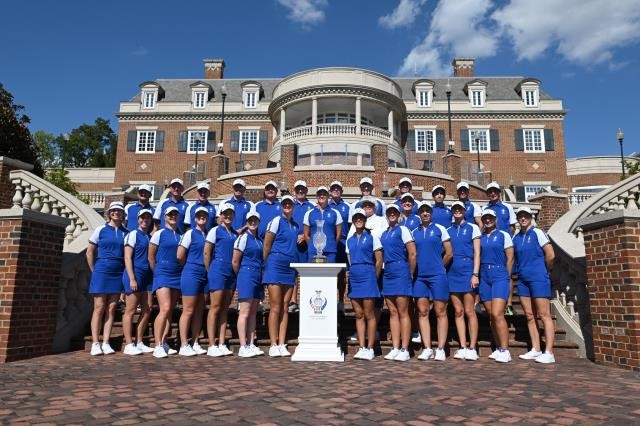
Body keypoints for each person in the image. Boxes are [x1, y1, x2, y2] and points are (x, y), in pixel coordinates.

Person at [513, 207, 556, 364]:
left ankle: (549, 352)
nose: (522, 218)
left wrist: (545, 271)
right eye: (520, 216)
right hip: (523, 280)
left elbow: (550, 255)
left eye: (525, 216)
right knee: (529, 315)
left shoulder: (537, 232)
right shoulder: (516, 238)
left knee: (544, 315)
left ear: (530, 217)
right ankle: (536, 349)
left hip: (538, 277)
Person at [412, 201, 453, 361]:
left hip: (438, 276)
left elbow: (449, 253)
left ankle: (441, 348)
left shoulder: (440, 229)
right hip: (420, 277)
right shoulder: (414, 232)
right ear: (419, 214)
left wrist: (439, 267)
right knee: (422, 312)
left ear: (431, 213)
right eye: (422, 211)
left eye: (427, 210)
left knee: (440, 311)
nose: (425, 213)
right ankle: (427, 347)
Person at [86, 202, 128, 356]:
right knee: (99, 307)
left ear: (123, 214)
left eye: (119, 211)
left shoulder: (126, 232)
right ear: (109, 213)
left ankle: (106, 342)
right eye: (114, 210)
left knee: (111, 308)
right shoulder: (100, 230)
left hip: (118, 271)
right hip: (102, 270)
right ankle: (95, 343)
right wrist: (94, 270)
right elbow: (90, 252)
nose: (116, 213)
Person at [262, 195, 299, 357]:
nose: (287, 206)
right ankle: (273, 343)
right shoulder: (276, 221)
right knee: (275, 306)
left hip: (289, 268)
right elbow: (267, 244)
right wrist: (265, 265)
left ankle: (282, 342)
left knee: (285, 307)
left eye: (290, 203)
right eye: (284, 203)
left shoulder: (295, 225)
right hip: (275, 265)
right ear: (281, 205)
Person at [380, 204, 416, 362]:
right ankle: (395, 347)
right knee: (392, 312)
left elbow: (412, 253)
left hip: (401, 269)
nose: (392, 214)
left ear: (398, 214)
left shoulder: (403, 230)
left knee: (403, 312)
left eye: (394, 212)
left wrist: (410, 273)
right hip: (388, 272)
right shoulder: (384, 233)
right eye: (390, 212)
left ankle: (405, 349)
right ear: (387, 215)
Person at [346, 208, 383, 361]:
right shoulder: (350, 240)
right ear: (353, 220)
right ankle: (361, 347)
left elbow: (379, 259)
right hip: (354, 277)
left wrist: (374, 277)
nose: (358, 220)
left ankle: (370, 347)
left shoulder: (373, 236)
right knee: (359, 314)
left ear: (365, 219)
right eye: (356, 217)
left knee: (369, 314)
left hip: (368, 276)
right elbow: (350, 259)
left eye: (361, 217)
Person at [447, 201, 481, 361]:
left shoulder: (473, 228)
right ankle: (462, 345)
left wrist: (475, 274)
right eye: (455, 209)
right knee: (458, 311)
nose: (457, 211)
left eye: (460, 209)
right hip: (452, 272)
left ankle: (473, 347)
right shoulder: (448, 230)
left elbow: (477, 253)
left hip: (468, 270)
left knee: (469, 311)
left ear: (464, 211)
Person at [479, 208, 514, 363]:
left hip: (499, 274)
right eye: (485, 218)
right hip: (484, 275)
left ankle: (505, 350)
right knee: (491, 315)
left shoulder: (503, 235)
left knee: (497, 313)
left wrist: (506, 276)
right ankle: (499, 347)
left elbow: (510, 258)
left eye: (490, 218)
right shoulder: (480, 237)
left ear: (496, 219)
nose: (488, 220)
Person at [204, 203, 238, 357]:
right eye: (226, 213)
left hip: (231, 273)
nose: (228, 216)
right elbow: (207, 252)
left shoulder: (235, 234)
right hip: (217, 269)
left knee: (224, 308)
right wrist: (210, 270)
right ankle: (212, 344)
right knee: (215, 307)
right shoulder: (214, 230)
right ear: (221, 215)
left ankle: (222, 342)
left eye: (231, 213)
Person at [149, 206, 183, 358]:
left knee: (170, 310)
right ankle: (157, 345)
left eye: (175, 214)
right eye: (170, 214)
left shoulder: (181, 234)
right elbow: (151, 256)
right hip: (162, 272)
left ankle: (164, 342)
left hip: (177, 274)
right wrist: (157, 272)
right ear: (165, 217)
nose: (173, 216)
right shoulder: (159, 233)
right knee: (165, 307)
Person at [176, 206, 210, 356]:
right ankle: (184, 344)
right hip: (192, 272)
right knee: (188, 309)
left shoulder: (208, 234)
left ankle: (195, 342)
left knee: (199, 310)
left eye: (204, 215)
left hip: (205, 273)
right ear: (194, 217)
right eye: (199, 215)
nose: (201, 217)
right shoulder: (190, 233)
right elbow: (179, 255)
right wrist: (190, 267)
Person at [121, 208, 154, 355]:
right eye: (142, 217)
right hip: (134, 274)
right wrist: (132, 278)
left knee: (147, 309)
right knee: (130, 310)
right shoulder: (133, 234)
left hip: (147, 276)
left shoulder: (148, 236)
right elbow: (127, 257)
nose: (145, 220)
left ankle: (139, 341)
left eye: (148, 217)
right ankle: (129, 344)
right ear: (138, 219)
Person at [233, 210, 265, 358]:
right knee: (244, 312)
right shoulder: (243, 238)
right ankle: (242, 345)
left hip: (257, 275)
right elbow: (235, 261)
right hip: (246, 274)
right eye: (250, 220)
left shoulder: (259, 240)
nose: (253, 223)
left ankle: (251, 343)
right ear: (247, 222)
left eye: (255, 220)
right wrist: (241, 275)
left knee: (253, 312)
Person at [483, 182, 517, 315]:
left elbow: (512, 226)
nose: (492, 193)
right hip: (491, 245)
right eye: (490, 191)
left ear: (499, 192)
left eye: (495, 191)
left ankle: (508, 303)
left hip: (504, 244)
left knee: (508, 274)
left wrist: (507, 241)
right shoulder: (485, 208)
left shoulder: (507, 207)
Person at [290, 180, 315, 313]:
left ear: (306, 191)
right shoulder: (289, 205)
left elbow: (315, 225)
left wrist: (305, 236)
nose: (300, 191)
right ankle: (293, 300)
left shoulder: (312, 206)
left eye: (303, 189)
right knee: (293, 273)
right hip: (292, 245)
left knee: (306, 272)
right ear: (294, 190)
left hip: (307, 245)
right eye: (298, 189)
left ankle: (306, 300)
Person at [303, 186, 342, 262]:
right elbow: (306, 235)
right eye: (319, 194)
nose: (322, 196)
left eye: (324, 194)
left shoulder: (336, 213)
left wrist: (331, 244)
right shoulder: (309, 213)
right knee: (313, 273)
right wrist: (313, 246)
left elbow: (339, 234)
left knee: (330, 274)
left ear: (328, 196)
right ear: (317, 196)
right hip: (313, 252)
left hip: (330, 252)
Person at [329, 181, 351, 312]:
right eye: (333, 188)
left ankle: (341, 301)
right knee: (329, 273)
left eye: (338, 188)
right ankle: (330, 299)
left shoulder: (348, 207)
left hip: (343, 242)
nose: (335, 190)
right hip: (329, 244)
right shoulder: (326, 206)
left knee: (342, 274)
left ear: (341, 191)